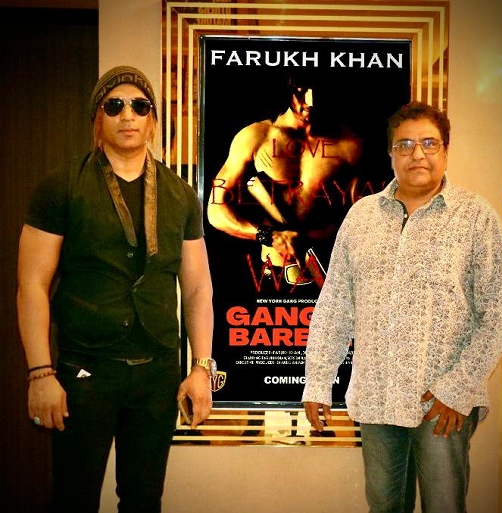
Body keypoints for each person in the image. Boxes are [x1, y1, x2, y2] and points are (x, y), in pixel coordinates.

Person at [302, 101, 502, 512]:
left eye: (428, 143)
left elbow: (501, 308)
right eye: (405, 145)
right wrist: (318, 381)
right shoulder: (362, 217)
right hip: (377, 397)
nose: (417, 154)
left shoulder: (475, 217)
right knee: (384, 506)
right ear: (391, 154)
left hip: (441, 403)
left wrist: (458, 388)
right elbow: (334, 306)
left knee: (443, 506)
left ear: (445, 150)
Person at [17, 66, 215, 513]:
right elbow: (32, 284)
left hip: (157, 373)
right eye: (115, 106)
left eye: (140, 106)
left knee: (144, 500)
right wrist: (41, 373)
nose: (128, 115)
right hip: (86, 371)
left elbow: (198, 287)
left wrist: (201, 367)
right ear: (98, 118)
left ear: (152, 121)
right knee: (73, 499)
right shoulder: (61, 186)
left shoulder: (181, 194)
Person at [207, 73, 362, 292]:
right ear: (288, 89)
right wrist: (267, 235)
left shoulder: (350, 144)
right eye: (301, 91)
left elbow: (363, 219)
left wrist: (321, 236)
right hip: (273, 274)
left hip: (328, 274)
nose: (310, 102)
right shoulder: (255, 137)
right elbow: (215, 210)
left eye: (317, 91)